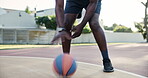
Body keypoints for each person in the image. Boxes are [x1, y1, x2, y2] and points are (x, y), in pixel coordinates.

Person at [52, 0, 114, 72]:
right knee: (66, 25)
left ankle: (106, 60)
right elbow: (59, 6)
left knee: (94, 24)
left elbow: (93, 3)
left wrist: (81, 25)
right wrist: (62, 30)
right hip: (73, 1)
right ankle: (66, 59)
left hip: (92, 2)